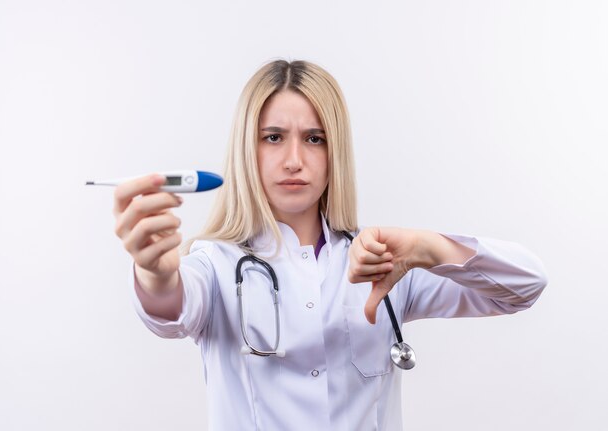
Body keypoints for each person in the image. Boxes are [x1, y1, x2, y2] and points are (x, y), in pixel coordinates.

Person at [112, 60, 547, 430]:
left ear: (334, 151)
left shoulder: (383, 262)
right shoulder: (217, 263)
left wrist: (426, 249)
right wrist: (155, 271)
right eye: (274, 137)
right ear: (248, 148)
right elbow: (169, 310)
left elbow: (525, 285)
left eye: (315, 138)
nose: (294, 160)